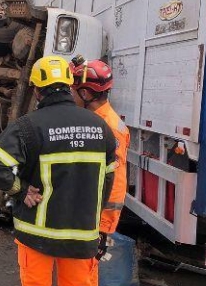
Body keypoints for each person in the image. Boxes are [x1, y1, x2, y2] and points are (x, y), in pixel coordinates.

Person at [0, 56, 117, 286]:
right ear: (69, 86)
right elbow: (108, 180)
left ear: (37, 91)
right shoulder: (100, 127)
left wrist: (21, 191)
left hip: (37, 234)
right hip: (82, 235)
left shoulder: (28, 126)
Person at [70, 56, 130, 286]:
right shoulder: (98, 119)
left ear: (86, 94)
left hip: (99, 217)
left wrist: (103, 225)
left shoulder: (107, 128)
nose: (70, 94)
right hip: (91, 211)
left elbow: (115, 179)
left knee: (86, 273)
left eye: (73, 90)